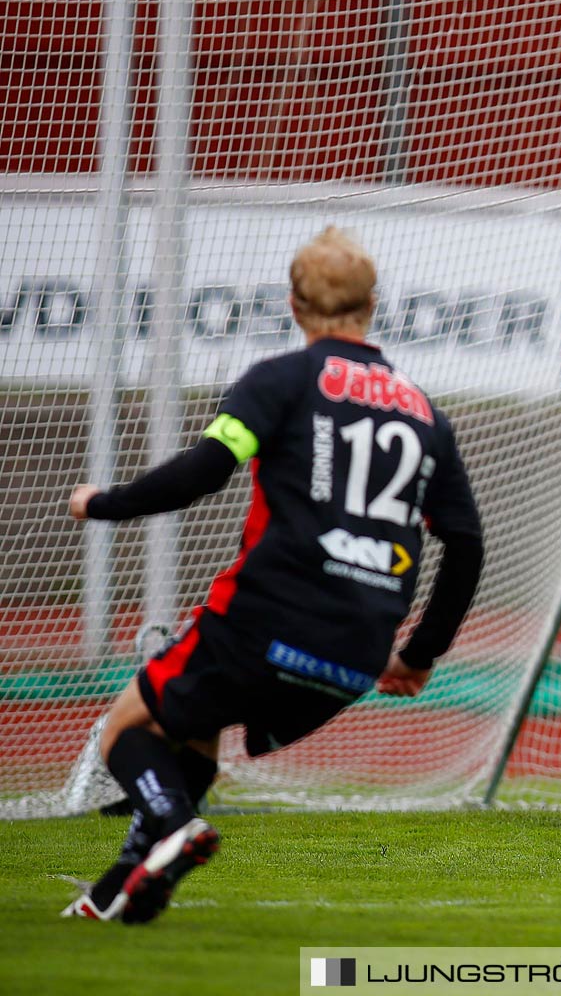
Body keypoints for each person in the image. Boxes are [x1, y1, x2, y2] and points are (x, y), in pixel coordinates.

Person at [61, 227, 484, 922]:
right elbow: (464, 543)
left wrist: (104, 503)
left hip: (267, 616)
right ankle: (114, 897)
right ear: (372, 304)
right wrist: (418, 653)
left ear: (293, 304)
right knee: (196, 734)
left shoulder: (280, 380)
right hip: (355, 654)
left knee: (127, 730)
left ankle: (174, 827)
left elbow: (204, 472)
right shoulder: (426, 414)